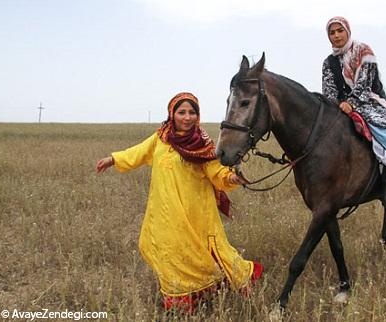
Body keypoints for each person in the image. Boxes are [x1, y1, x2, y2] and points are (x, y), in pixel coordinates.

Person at [96, 92, 263, 313]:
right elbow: (138, 152)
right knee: (167, 251)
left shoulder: (202, 144)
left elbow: (216, 172)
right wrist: (113, 159)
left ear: (198, 115)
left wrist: (231, 177)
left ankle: (230, 284)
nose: (187, 117)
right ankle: (180, 298)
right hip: (164, 211)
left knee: (209, 251)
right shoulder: (161, 137)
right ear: (172, 113)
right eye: (181, 112)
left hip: (195, 213)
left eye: (192, 112)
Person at [322, 16, 386, 191]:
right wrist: (334, 105)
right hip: (340, 106)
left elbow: (364, 85)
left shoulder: (364, 52)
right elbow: (328, 91)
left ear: (347, 31)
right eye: (332, 32)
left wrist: (351, 103)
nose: (336, 36)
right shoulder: (329, 62)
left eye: (340, 31)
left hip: (369, 101)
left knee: (385, 126)